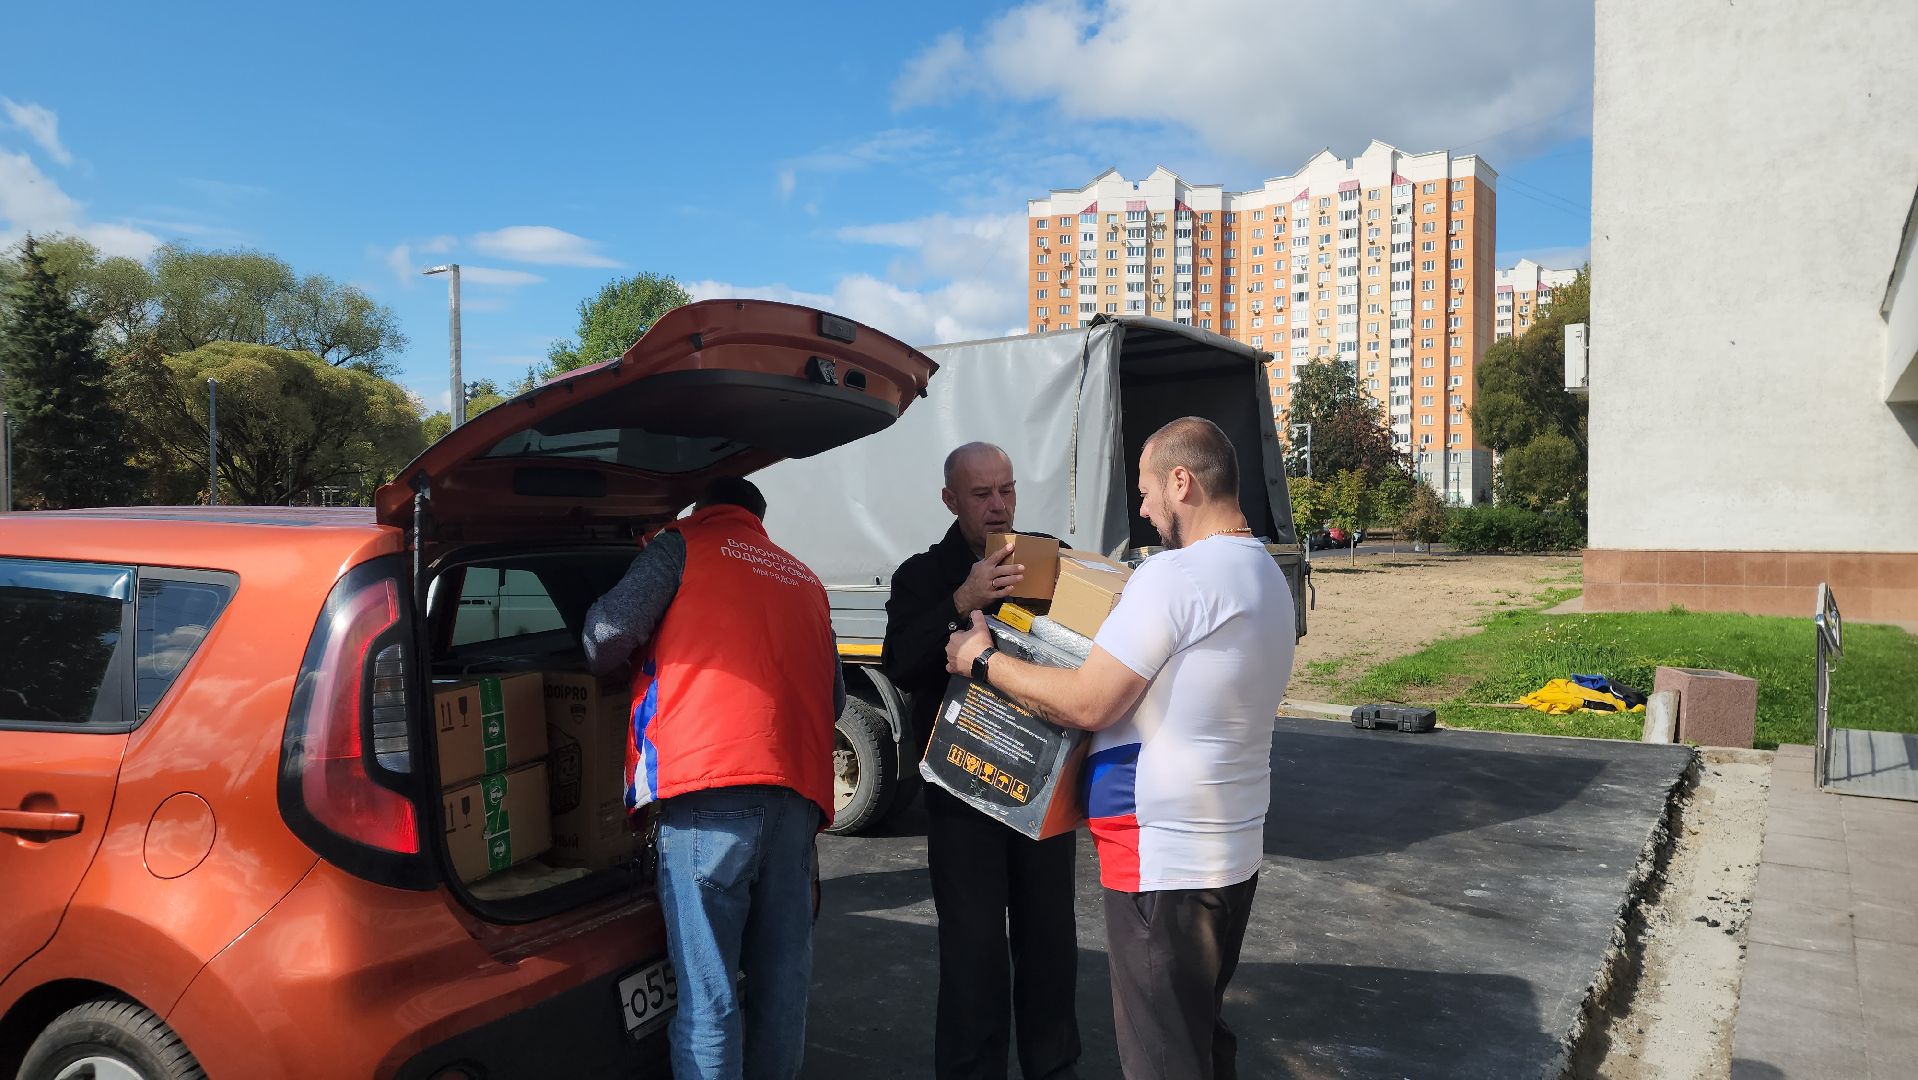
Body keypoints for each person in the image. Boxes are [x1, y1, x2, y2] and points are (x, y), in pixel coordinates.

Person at [943, 418, 1295, 1080]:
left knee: (1163, 1058)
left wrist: (982, 659)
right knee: (1198, 1039)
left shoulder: (1176, 577)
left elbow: (1088, 700)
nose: (1141, 507)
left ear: (1181, 482)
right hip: (1229, 852)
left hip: (1163, 860)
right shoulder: (1263, 574)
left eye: (1146, 490)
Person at [584, 476, 843, 1080]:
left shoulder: (680, 546)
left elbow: (603, 639)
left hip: (708, 793)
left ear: (702, 510)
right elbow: (831, 697)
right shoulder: (802, 577)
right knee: (782, 988)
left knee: (709, 998)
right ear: (759, 519)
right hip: (796, 798)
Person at [882, 442, 1082, 1080]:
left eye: (1007, 490)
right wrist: (960, 600)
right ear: (950, 500)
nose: (998, 506)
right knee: (972, 949)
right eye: (981, 494)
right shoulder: (921, 575)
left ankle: (1053, 1065)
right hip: (962, 792)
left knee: (1049, 939)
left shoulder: (1046, 558)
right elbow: (900, 667)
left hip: (1040, 779)